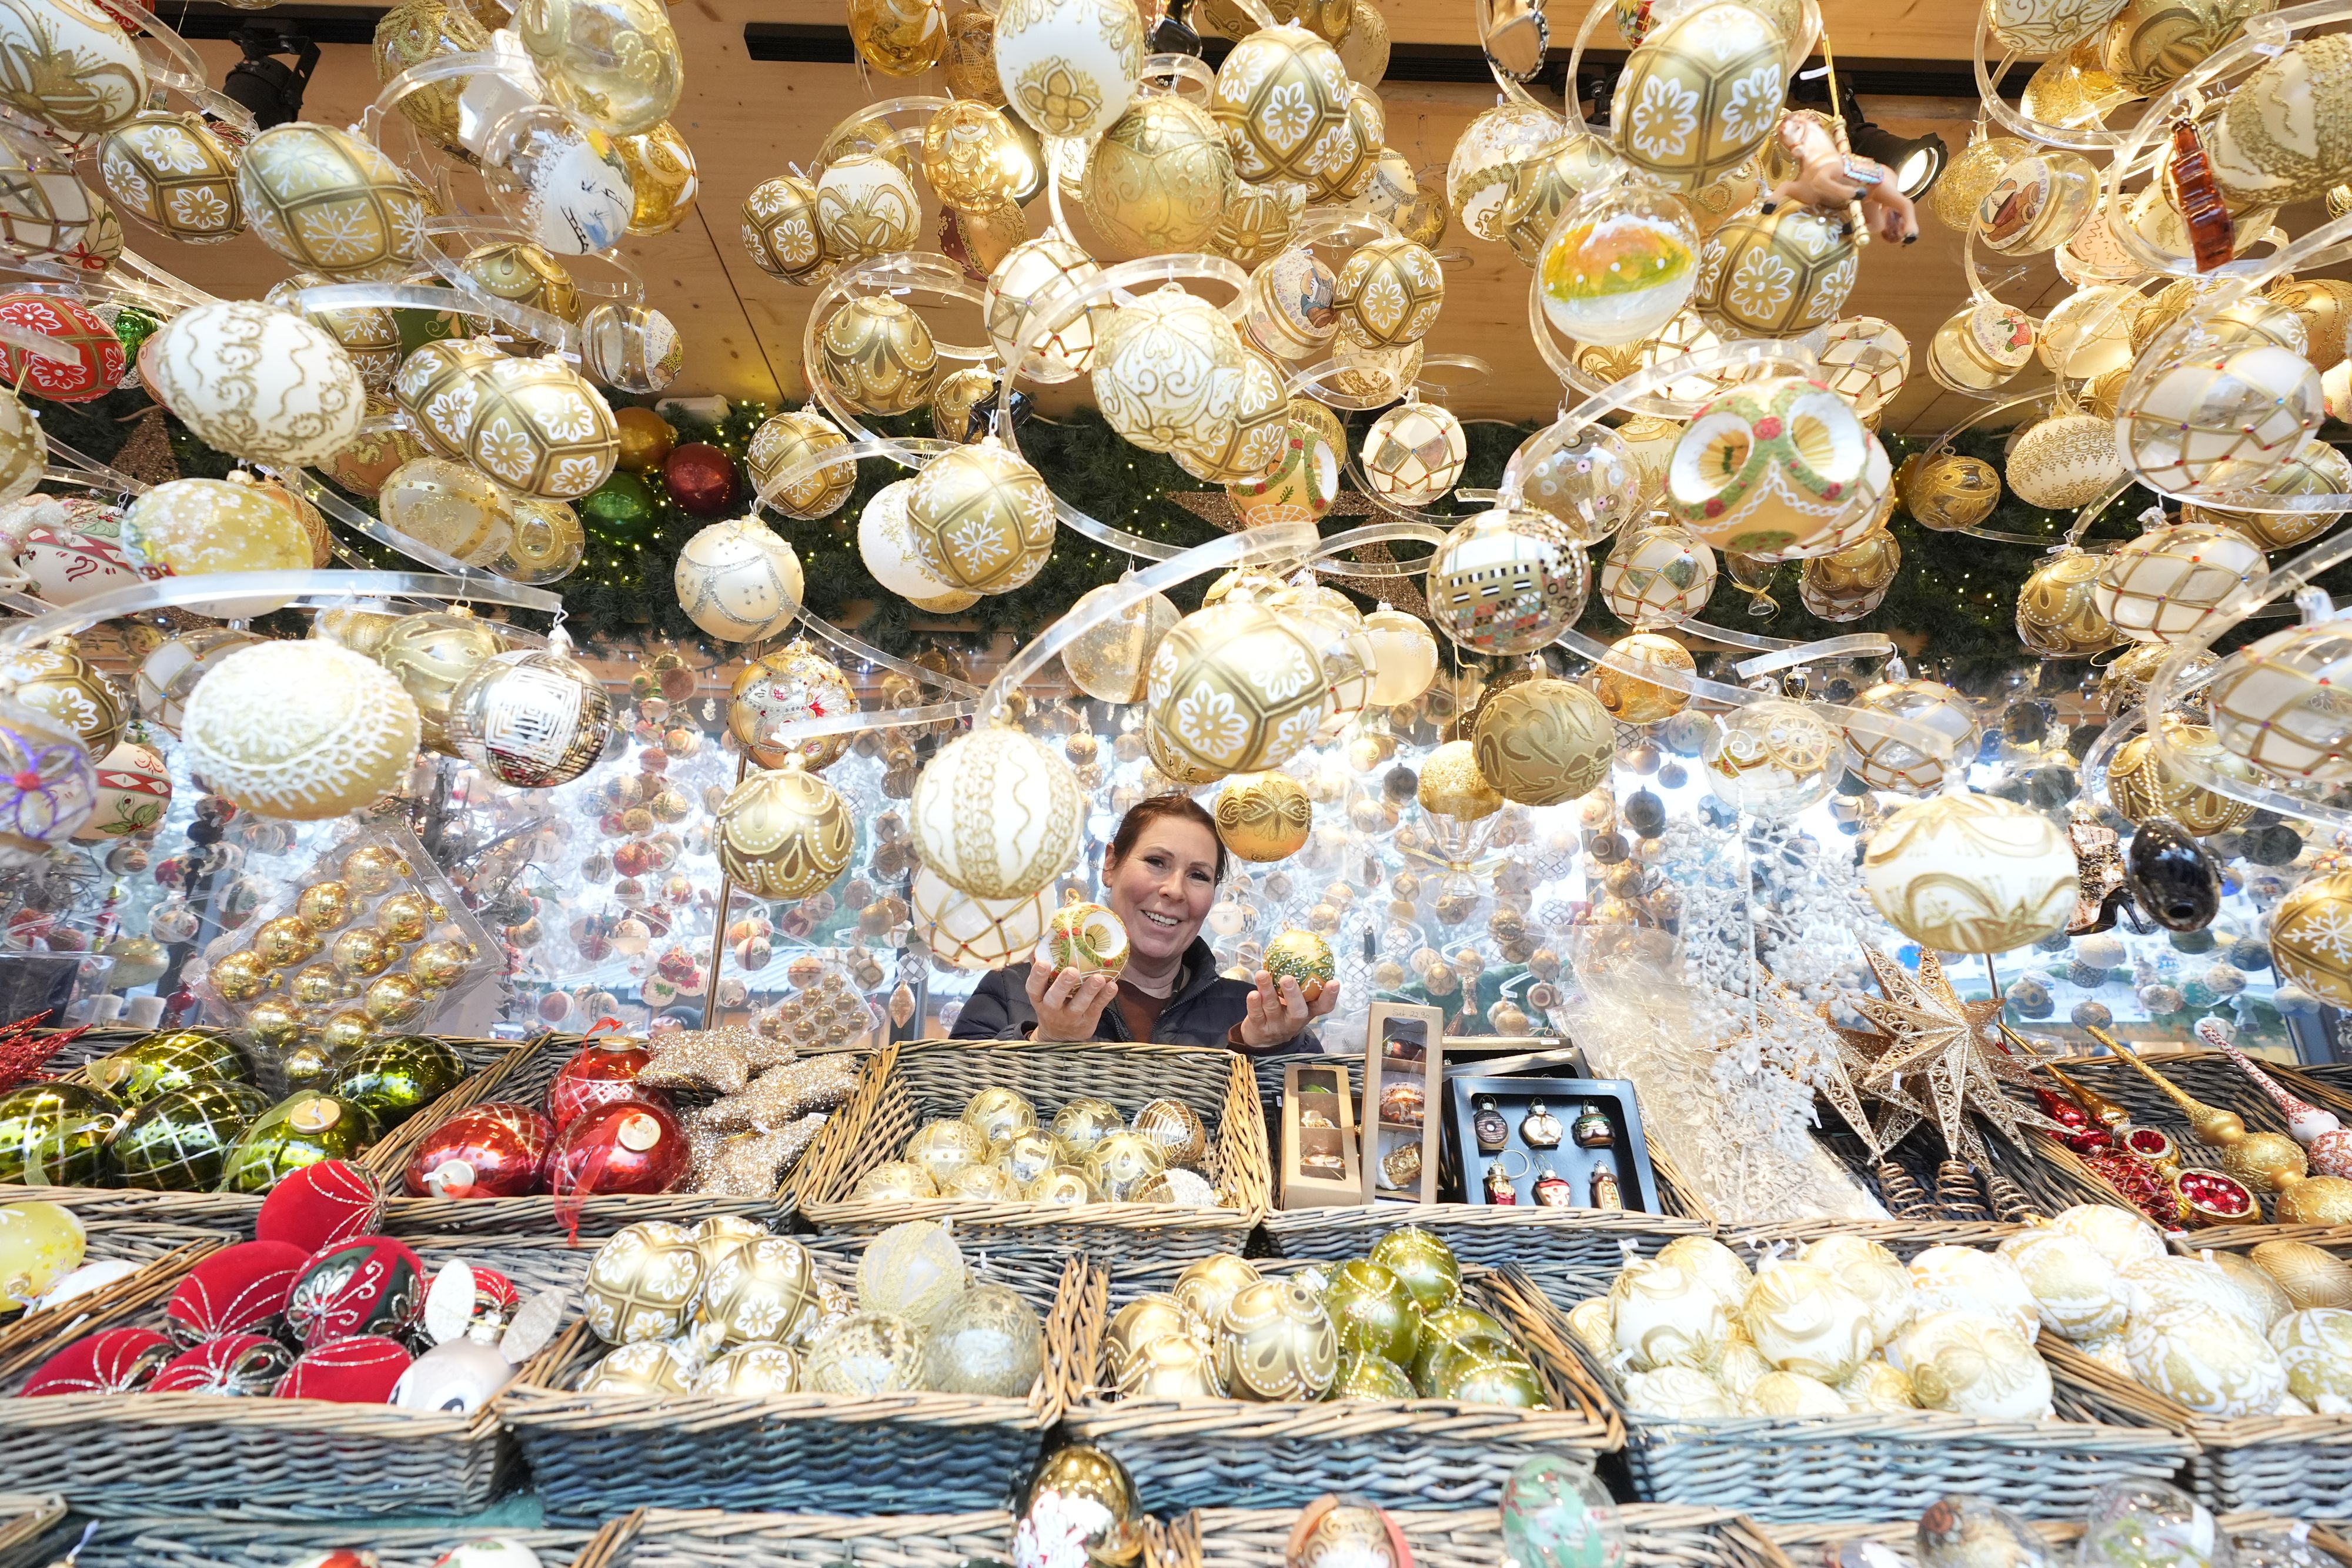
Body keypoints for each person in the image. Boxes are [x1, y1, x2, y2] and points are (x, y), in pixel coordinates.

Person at [951, 796, 1340, 1050]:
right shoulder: (1011, 990)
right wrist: (1045, 1039)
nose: (1175, 890)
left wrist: (1262, 1047)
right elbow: (948, 1116)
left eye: (1199, 875)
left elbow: (1303, 1143)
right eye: (1157, 862)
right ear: (1110, 864)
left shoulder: (1252, 1011)